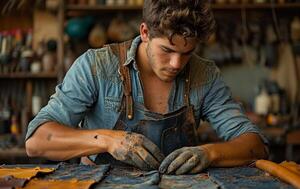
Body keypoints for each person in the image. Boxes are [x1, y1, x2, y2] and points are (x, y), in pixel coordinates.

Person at [25, 0, 268, 175]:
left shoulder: (204, 74)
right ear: (145, 32)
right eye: (167, 50)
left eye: (187, 53)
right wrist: (108, 140)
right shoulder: (96, 65)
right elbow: (37, 142)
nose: (176, 64)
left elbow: (254, 145)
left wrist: (209, 153)